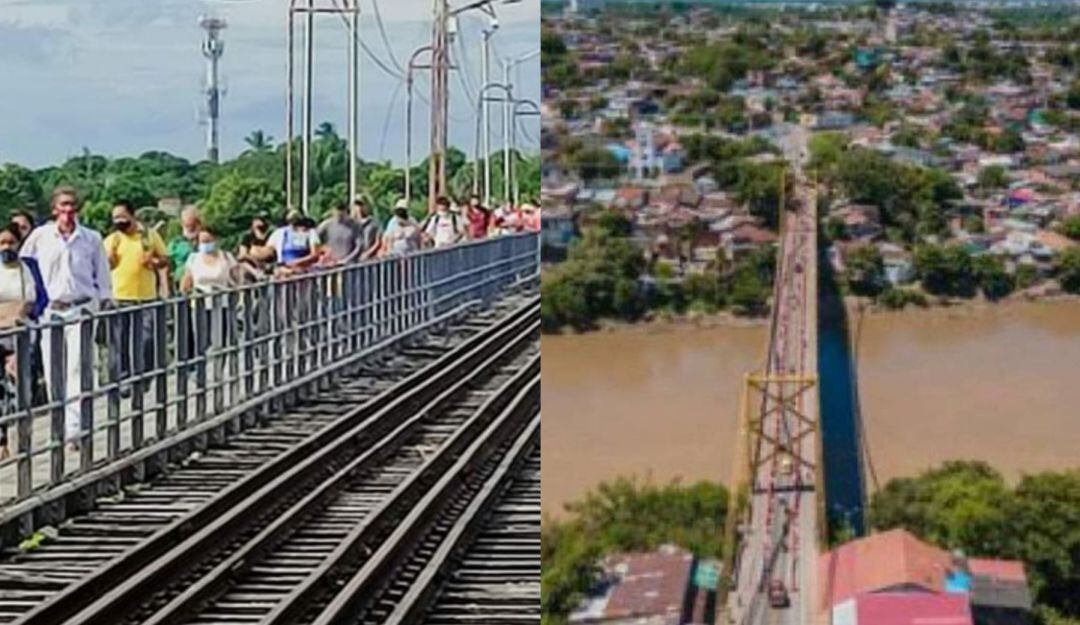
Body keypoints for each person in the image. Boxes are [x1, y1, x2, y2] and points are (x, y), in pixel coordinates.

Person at [19, 187, 112, 451]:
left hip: (81, 306)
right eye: (63, 205)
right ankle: (58, 427)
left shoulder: (90, 238)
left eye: (72, 205)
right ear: (54, 209)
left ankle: (74, 429)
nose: (68, 210)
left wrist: (105, 300)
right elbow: (25, 268)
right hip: (52, 309)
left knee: (77, 367)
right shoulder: (40, 237)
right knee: (53, 369)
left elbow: (102, 273)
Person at [103, 202, 169, 388]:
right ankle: (123, 380)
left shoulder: (148, 236)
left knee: (146, 340)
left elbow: (165, 260)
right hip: (119, 297)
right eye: (115, 218)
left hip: (145, 297)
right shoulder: (112, 240)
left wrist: (154, 262)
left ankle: (145, 376)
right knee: (120, 341)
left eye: (122, 217)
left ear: (132, 216)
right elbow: (101, 267)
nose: (119, 222)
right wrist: (109, 261)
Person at [0, 225, 38, 460]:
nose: (6, 248)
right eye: (1, 243)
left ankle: (23, 435)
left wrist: (13, 315)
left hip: (18, 334)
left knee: (19, 386)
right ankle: (2, 440)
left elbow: (29, 300)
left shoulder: (25, 270)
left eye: (10, 242)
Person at [268, 210, 322, 276]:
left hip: (304, 272)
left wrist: (296, 263)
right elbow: (269, 251)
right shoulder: (280, 233)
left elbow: (315, 255)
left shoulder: (310, 233)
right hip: (284, 272)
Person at [168, 207, 201, 284]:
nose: (189, 228)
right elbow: (168, 265)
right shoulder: (176, 243)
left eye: (193, 225)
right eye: (187, 225)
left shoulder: (206, 240)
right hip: (181, 281)